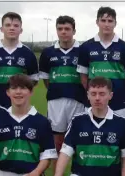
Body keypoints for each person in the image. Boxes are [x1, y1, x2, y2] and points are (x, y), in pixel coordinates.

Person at [77, 6, 125, 118]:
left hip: (118, 104)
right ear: (97, 22)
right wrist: (94, 96)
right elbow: (83, 77)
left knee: (119, 134)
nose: (106, 24)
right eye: (103, 20)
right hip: (93, 104)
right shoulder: (86, 47)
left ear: (115, 23)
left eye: (110, 21)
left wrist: (123, 97)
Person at [38, 15, 86, 153]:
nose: (63, 32)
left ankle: (76, 174)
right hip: (55, 102)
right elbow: (46, 80)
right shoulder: (47, 52)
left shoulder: (83, 50)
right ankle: (56, 175)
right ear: (57, 31)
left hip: (78, 100)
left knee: (78, 140)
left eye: (67, 28)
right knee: (57, 142)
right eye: (60, 29)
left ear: (74, 31)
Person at [0, 12, 39, 108]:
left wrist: (19, 90)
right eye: (8, 25)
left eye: (16, 26)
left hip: (19, 107)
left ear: (21, 30)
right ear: (2, 29)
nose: (12, 28)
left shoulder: (28, 53)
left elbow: (34, 80)